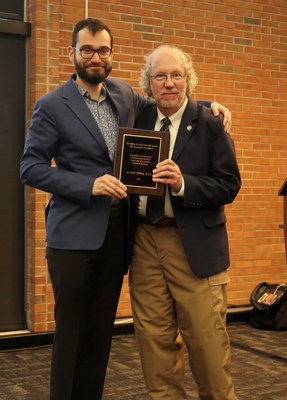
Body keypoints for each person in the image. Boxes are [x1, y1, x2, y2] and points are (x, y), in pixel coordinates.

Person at [20, 18, 231, 400]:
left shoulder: (122, 94)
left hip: (117, 235)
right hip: (72, 237)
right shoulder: (51, 105)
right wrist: (88, 185)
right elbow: (30, 167)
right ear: (73, 54)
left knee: (100, 333)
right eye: (87, 50)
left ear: (112, 54)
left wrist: (207, 103)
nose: (96, 57)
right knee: (71, 334)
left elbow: (169, 100)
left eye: (103, 50)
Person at [130, 44, 241, 400]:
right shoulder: (140, 120)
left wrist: (183, 184)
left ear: (188, 80)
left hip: (193, 245)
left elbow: (229, 184)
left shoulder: (210, 123)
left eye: (177, 75)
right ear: (148, 84)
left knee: (207, 347)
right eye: (160, 76)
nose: (169, 83)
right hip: (145, 243)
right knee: (154, 343)